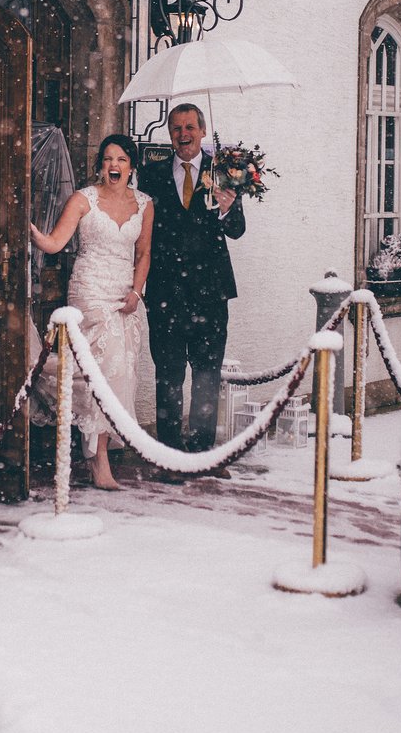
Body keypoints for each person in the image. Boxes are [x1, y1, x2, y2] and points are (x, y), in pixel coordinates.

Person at [30, 134, 153, 490]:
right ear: (101, 165)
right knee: (102, 367)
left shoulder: (145, 205)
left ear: (131, 166)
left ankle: (94, 450)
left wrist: (136, 292)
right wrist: (34, 234)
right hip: (90, 292)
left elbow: (143, 254)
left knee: (119, 372)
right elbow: (56, 242)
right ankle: (98, 462)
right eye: (108, 159)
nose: (114, 166)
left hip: (124, 295)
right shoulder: (84, 199)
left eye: (121, 160)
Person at [140, 103, 245, 465]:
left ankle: (201, 453)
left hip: (210, 293)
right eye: (176, 129)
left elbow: (237, 230)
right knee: (167, 374)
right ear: (169, 135)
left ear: (202, 131)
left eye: (189, 127)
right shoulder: (149, 175)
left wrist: (228, 206)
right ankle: (168, 452)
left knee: (206, 373)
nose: (183, 135)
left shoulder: (223, 172)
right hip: (164, 292)